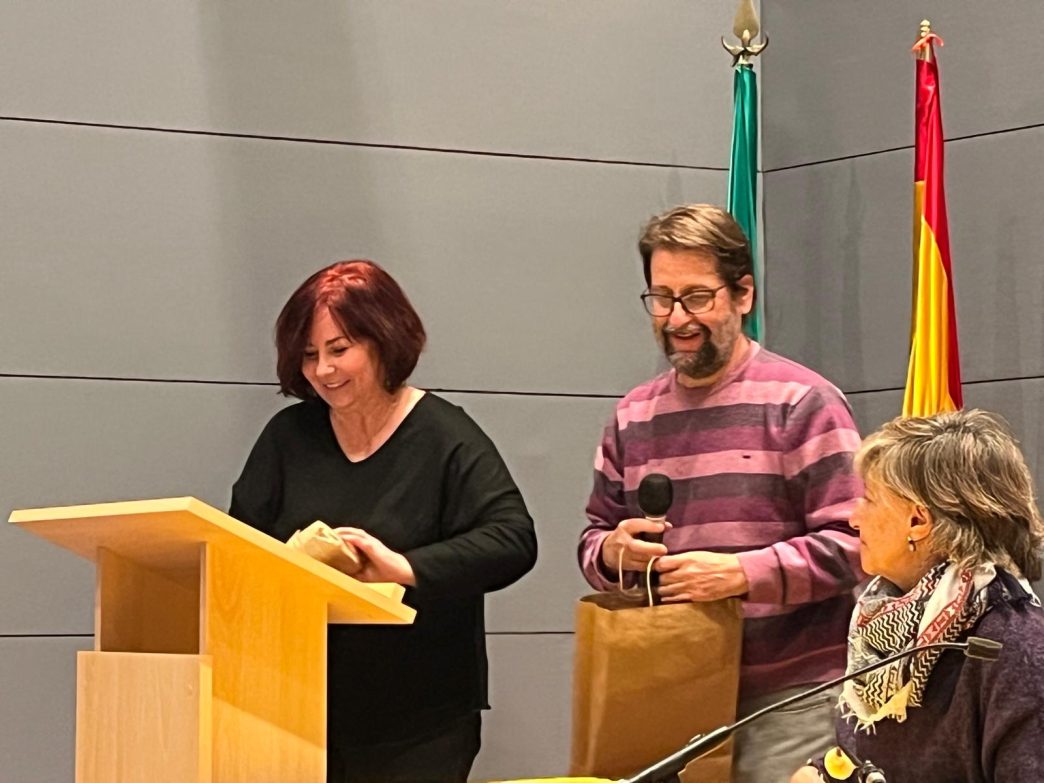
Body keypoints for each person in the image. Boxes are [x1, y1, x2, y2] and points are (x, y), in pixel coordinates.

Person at [579, 204, 865, 782]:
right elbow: (593, 540)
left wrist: (742, 575)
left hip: (792, 699)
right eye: (661, 298)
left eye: (697, 297)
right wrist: (616, 553)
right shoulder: (633, 415)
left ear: (744, 296)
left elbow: (858, 543)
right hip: (666, 690)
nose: (676, 318)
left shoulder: (803, 403)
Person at [230, 259, 538, 783]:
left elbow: (512, 539)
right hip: (299, 709)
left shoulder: (445, 435)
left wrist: (404, 567)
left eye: (339, 349)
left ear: (384, 339)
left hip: (421, 721)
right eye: (309, 355)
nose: (323, 370)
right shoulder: (288, 437)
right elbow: (241, 545)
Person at [790, 409, 1044, 783]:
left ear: (918, 521)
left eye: (869, 499)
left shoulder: (1012, 647)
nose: (854, 518)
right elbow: (868, 760)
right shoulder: (880, 628)